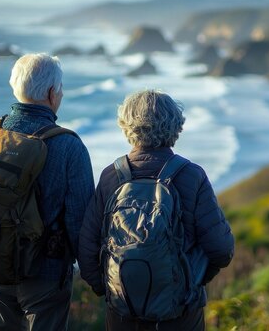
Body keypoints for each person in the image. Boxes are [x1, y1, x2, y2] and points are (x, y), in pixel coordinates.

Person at [0, 53, 94, 330]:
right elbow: (80, 221)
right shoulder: (68, 146)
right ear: (52, 93)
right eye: (61, 89)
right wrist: (95, 276)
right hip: (45, 273)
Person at [79, 89, 234, 330]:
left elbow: (87, 249)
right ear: (175, 126)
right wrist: (190, 283)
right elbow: (222, 249)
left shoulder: (111, 176)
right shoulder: (191, 176)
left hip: (122, 313)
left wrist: (112, 291)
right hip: (180, 314)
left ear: (127, 126)